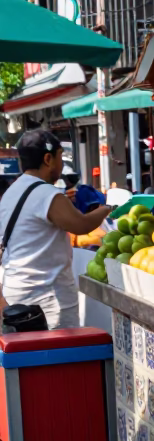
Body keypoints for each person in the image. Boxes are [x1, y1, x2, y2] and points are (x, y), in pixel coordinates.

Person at [0, 130, 112, 328]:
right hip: (47, 299)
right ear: (47, 158)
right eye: (61, 155)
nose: (62, 163)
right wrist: (106, 209)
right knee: (57, 356)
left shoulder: (12, 192)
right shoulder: (47, 193)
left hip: (16, 292)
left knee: (26, 355)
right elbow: (81, 225)